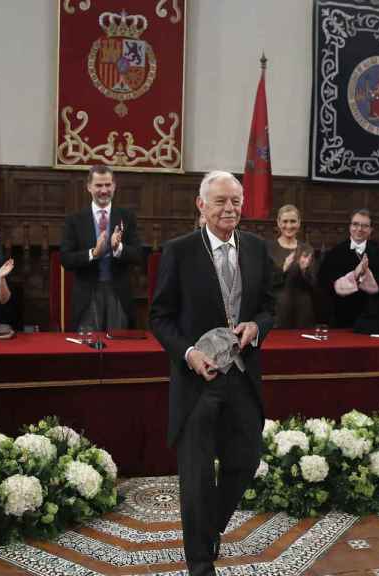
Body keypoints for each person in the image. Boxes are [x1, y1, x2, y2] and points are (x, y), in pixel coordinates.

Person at [149, 170, 274, 576]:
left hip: (241, 377)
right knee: (197, 478)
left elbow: (269, 307)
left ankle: (207, 530)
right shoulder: (179, 251)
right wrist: (188, 354)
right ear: (201, 206)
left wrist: (257, 326)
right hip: (196, 382)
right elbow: (160, 317)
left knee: (247, 458)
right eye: (220, 201)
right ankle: (200, 565)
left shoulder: (257, 248)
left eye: (236, 201)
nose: (230, 208)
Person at [60, 164, 143, 331]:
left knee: (119, 349)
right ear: (89, 187)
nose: (104, 190)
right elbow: (66, 259)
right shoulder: (75, 220)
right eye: (99, 185)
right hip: (87, 297)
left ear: (114, 186)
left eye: (107, 185)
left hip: (118, 294)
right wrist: (93, 253)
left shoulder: (127, 217)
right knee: (87, 351)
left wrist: (118, 248)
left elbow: (138, 255)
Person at [317, 209, 379, 330]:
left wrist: (366, 276)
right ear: (350, 227)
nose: (359, 229)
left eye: (365, 226)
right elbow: (326, 283)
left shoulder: (378, 252)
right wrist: (355, 274)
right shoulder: (336, 252)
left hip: (371, 317)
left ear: (370, 230)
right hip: (342, 315)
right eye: (355, 224)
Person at [268, 204, 315, 328]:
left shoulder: (307, 249)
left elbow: (315, 285)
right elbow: (265, 284)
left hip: (303, 311)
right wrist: (283, 269)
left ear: (299, 223)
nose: (289, 226)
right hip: (278, 311)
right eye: (285, 221)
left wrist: (304, 270)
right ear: (278, 223)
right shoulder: (268, 248)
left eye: (293, 221)